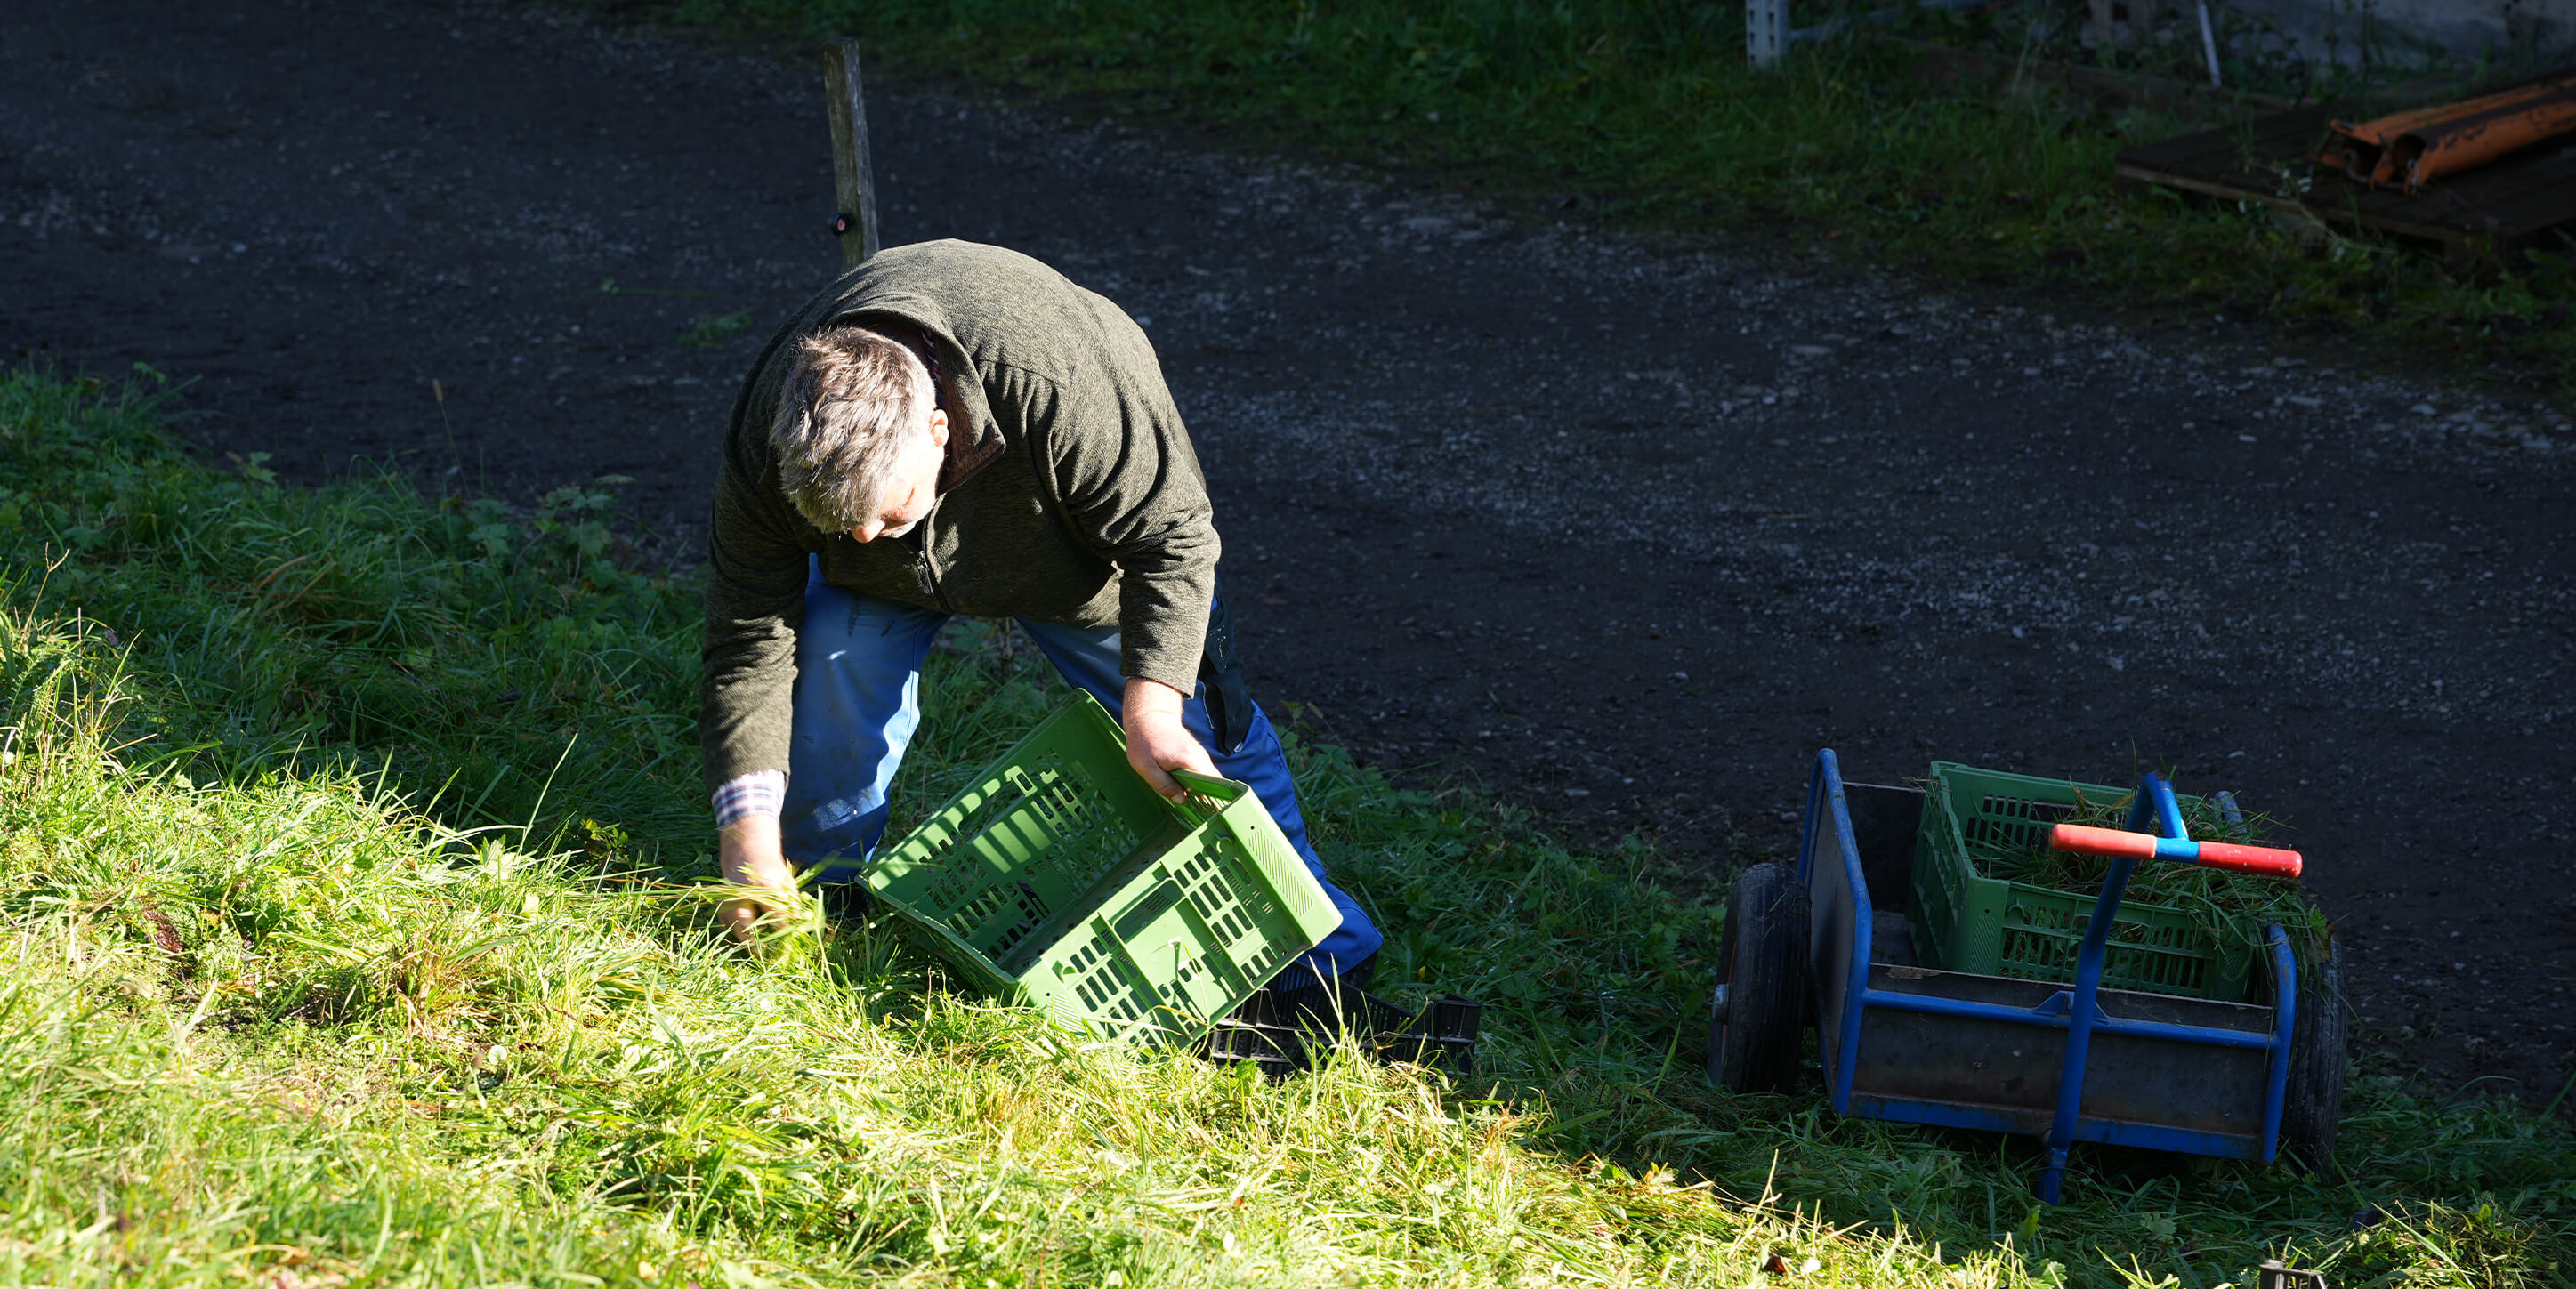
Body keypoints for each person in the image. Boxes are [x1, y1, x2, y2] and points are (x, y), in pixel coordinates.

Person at [699, 238, 1381, 995]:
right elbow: (748, 634)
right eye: (839, 526)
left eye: (883, 516)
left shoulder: (1057, 383)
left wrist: (1153, 709)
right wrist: (745, 836)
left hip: (1080, 558)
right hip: (886, 584)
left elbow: (1176, 537)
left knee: (1199, 739)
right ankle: (818, 906)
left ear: (937, 431)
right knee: (826, 666)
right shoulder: (775, 435)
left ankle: (1320, 956)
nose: (858, 539)